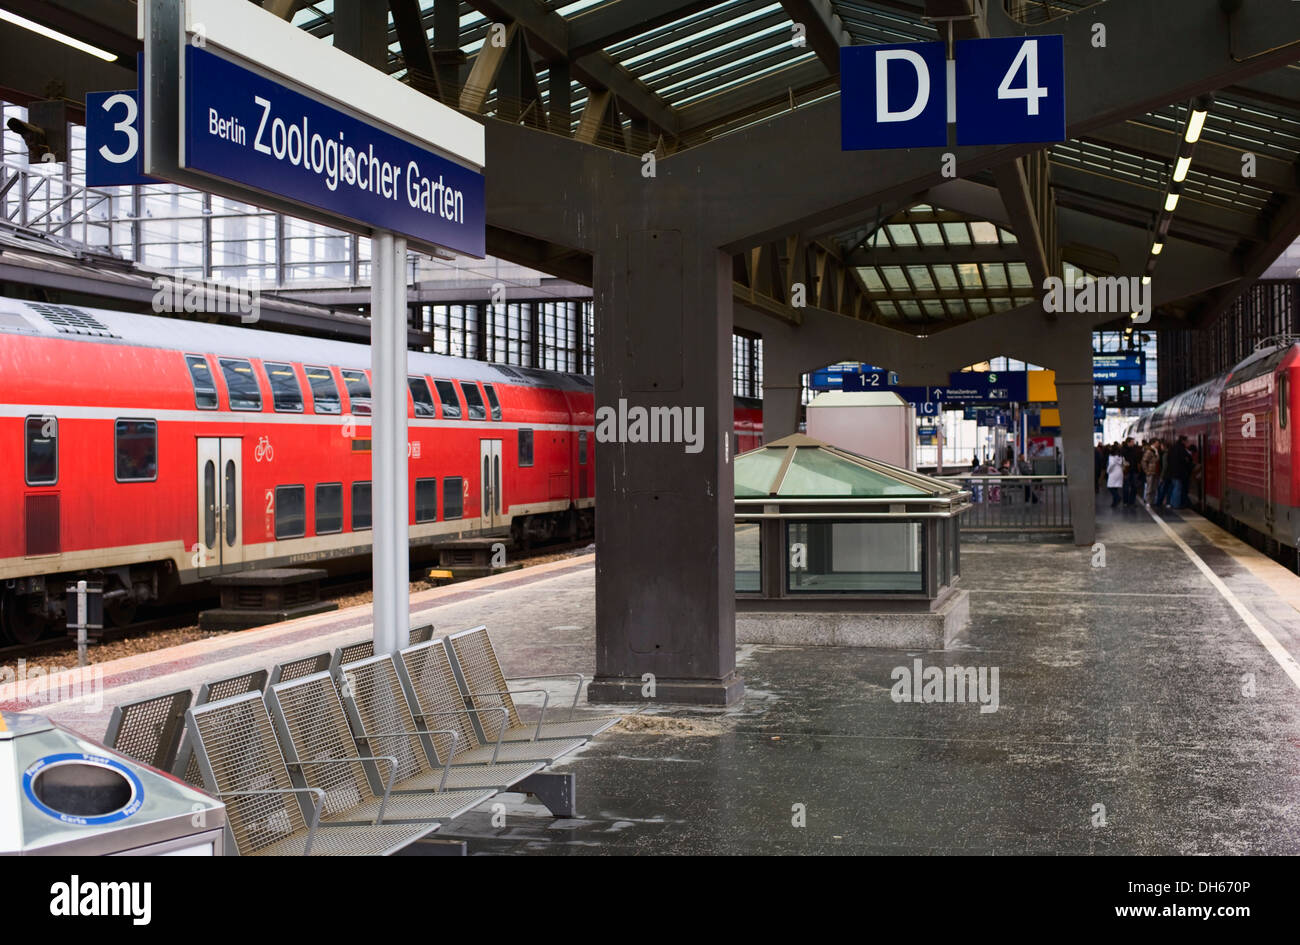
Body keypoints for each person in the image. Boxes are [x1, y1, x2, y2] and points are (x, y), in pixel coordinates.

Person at [1141, 439, 1161, 506]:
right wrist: (1146, 471)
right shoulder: (1149, 451)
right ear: (1154, 443)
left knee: (1154, 487)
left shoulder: (1156, 451)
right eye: (1157, 443)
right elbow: (1144, 461)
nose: (1158, 444)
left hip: (1155, 472)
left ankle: (1152, 501)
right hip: (1150, 471)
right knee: (1149, 487)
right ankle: (1148, 501)